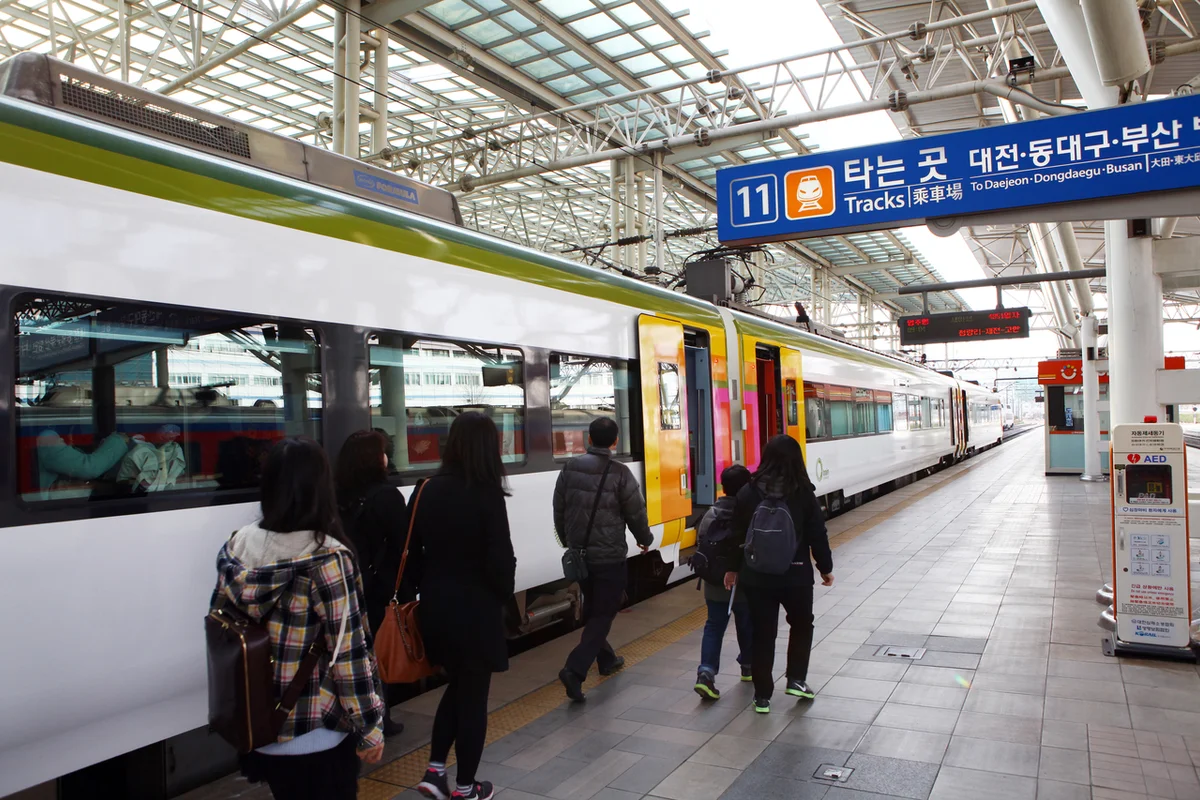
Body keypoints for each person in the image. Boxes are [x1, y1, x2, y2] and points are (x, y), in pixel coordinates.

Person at [210, 437, 386, 800]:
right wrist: (370, 727)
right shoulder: (329, 559)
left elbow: (224, 626)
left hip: (262, 728)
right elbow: (349, 656)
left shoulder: (237, 545)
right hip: (316, 732)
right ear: (323, 488)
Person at [411, 412, 517, 800]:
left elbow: (414, 556)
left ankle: (435, 771)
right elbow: (500, 560)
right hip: (476, 609)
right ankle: (465, 787)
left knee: (458, 686)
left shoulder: (426, 489)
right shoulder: (486, 492)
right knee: (474, 698)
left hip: (436, 607)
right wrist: (502, 596)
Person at [727, 435, 833, 714]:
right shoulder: (802, 492)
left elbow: (736, 534)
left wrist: (732, 568)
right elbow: (817, 533)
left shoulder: (748, 492)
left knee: (763, 632)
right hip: (795, 574)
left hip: (757, 575)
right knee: (801, 624)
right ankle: (796, 680)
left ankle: (762, 696)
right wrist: (825, 567)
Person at [554, 417, 653, 703]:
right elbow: (635, 512)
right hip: (609, 556)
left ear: (588, 439)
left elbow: (558, 508)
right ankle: (574, 669)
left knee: (595, 609)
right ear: (614, 442)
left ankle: (607, 659)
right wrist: (644, 538)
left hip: (581, 555)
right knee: (604, 613)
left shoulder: (569, 469)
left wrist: (568, 541)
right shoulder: (620, 473)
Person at [335, 429, 409, 738]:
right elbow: (403, 546)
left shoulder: (336, 495)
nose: (387, 457)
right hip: (379, 589)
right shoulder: (387, 496)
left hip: (344, 586)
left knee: (351, 653)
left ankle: (346, 716)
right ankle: (380, 718)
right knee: (378, 655)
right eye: (382, 451)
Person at [693, 464, 754, 701]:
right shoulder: (749, 513)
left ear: (723, 487)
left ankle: (706, 673)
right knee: (746, 624)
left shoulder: (711, 513)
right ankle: (748, 666)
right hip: (744, 583)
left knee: (714, 626)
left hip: (715, 584)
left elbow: (701, 543)